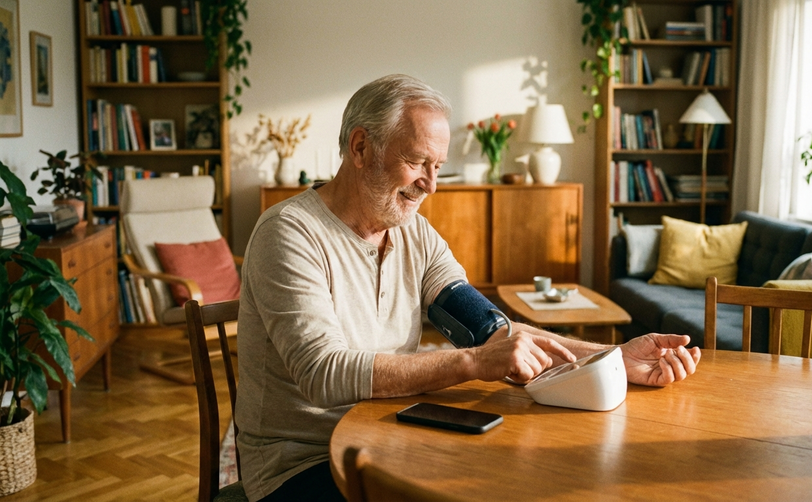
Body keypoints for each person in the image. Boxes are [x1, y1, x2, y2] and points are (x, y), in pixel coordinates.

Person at [235, 74, 701, 502]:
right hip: (301, 463)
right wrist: (474, 363)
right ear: (360, 147)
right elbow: (324, 374)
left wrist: (611, 357)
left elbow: (490, 333)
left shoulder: (413, 233)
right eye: (418, 161)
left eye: (438, 166)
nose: (431, 185)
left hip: (389, 435)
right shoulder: (289, 233)